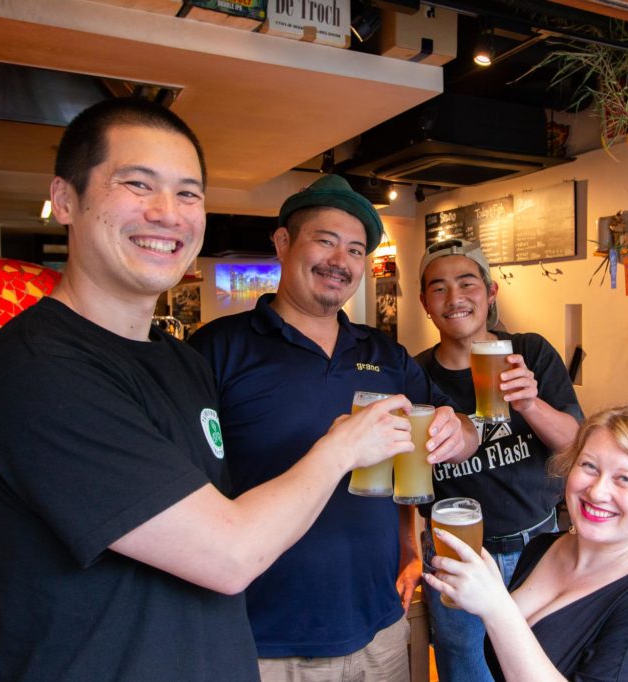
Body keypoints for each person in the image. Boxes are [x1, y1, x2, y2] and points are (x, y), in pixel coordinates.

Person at [0, 99, 415, 682]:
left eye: (188, 194)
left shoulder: (178, 363)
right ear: (65, 199)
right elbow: (229, 554)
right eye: (137, 184)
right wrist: (342, 448)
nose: (166, 213)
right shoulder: (35, 371)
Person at [188, 174, 479, 682]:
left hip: (380, 627)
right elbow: (188, 491)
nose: (340, 261)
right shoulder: (217, 350)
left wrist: (459, 432)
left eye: (355, 250)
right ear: (282, 242)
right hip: (264, 639)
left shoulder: (386, 355)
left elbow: (454, 437)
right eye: (325, 241)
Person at [424, 405, 628, 681]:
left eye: (625, 479)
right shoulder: (543, 547)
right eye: (589, 466)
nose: (597, 490)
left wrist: (496, 608)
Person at [415, 238, 583, 681]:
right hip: (458, 552)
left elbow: (575, 444)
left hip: (538, 548)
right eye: (439, 288)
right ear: (424, 303)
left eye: (467, 283)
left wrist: (530, 403)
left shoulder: (529, 351)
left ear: (490, 292)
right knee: (466, 667)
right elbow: (403, 478)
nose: (455, 299)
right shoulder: (415, 375)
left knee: (538, 664)